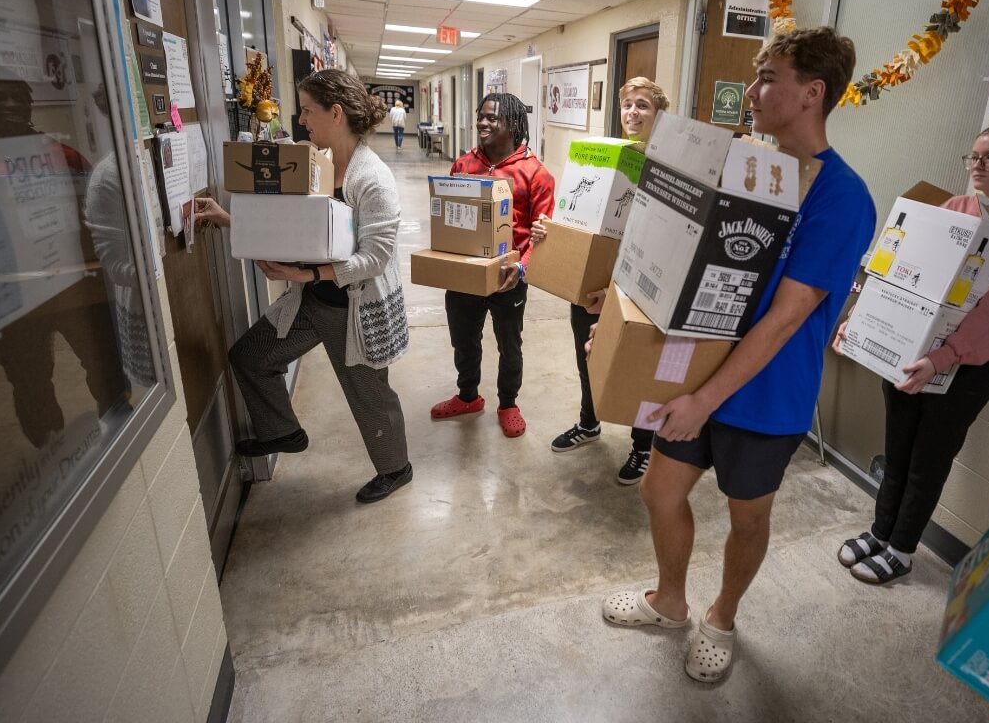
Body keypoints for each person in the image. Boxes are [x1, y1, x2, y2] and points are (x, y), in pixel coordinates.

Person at [602, 28, 876, 683]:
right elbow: (681, 263)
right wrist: (623, 323)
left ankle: (722, 617)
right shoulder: (752, 170)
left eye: (768, 78)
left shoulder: (841, 198)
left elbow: (785, 320)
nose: (751, 93)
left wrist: (703, 401)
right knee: (659, 489)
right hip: (698, 368)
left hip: (767, 395)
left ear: (811, 93)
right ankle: (670, 601)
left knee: (747, 515)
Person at [834, 121, 989, 584]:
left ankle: (901, 549)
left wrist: (946, 355)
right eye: (974, 156)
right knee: (897, 449)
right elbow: (902, 269)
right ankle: (881, 532)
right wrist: (859, 319)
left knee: (929, 458)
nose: (978, 165)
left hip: (965, 365)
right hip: (908, 352)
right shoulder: (955, 208)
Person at [194, 69, 413, 503]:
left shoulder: (373, 179)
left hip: (352, 310)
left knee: (369, 397)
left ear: (336, 113)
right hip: (310, 301)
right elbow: (289, 230)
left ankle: (396, 468)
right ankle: (283, 432)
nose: (302, 121)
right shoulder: (315, 163)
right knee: (251, 357)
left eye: (308, 111)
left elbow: (375, 258)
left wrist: (308, 274)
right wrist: (229, 219)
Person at [0, 69, 127, 447]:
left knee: (103, 363)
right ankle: (51, 446)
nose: (9, 104)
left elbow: (97, 212)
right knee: (30, 379)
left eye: (17, 96)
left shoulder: (61, 153)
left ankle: (117, 431)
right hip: (10, 294)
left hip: (73, 284)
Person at [528, 77, 669, 484]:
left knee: (635, 365)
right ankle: (589, 424)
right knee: (587, 356)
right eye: (627, 105)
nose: (633, 112)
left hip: (637, 288)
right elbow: (578, 218)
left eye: (643, 105)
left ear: (659, 113)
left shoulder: (665, 171)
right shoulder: (609, 160)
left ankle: (644, 446)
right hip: (590, 283)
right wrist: (549, 234)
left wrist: (619, 290)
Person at [430, 93, 555, 438]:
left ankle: (508, 403)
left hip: (509, 276)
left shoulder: (536, 174)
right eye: (480, 116)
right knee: (464, 340)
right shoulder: (463, 164)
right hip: (465, 273)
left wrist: (523, 267)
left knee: (509, 344)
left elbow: (541, 234)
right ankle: (468, 396)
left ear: (513, 124)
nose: (483, 123)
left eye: (492, 118)